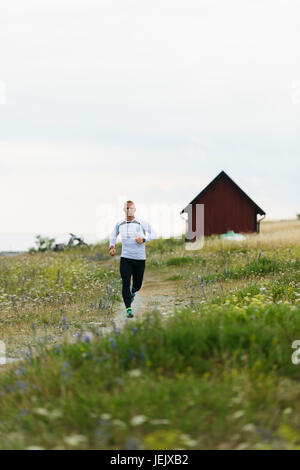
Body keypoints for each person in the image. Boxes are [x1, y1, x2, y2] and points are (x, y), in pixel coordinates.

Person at [109, 200, 157, 318]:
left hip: (140, 259)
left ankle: (133, 292)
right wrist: (112, 246)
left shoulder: (141, 222)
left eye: (131, 208)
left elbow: (154, 233)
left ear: (134, 210)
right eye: (126, 208)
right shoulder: (119, 223)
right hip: (125, 258)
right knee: (125, 282)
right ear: (124, 210)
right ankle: (128, 309)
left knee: (137, 285)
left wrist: (144, 239)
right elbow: (113, 235)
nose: (128, 210)